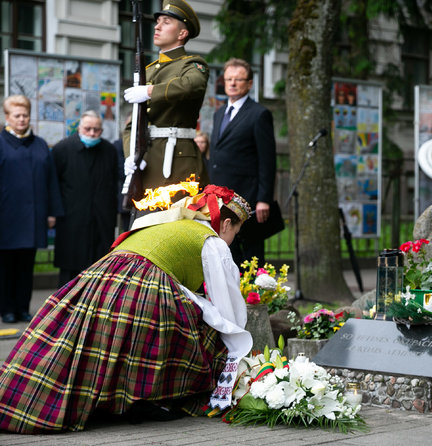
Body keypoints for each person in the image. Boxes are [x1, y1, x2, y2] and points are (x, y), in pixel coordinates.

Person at [0, 184, 253, 433]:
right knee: (189, 324)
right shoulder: (211, 240)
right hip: (142, 284)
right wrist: (237, 346)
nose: (231, 240)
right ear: (227, 225)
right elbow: (226, 304)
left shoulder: (170, 222)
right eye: (235, 233)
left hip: (102, 276)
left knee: (87, 343)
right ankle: (147, 400)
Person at [123, 0, 209, 190]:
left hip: (178, 159)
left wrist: (149, 91)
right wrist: (130, 154)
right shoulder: (150, 70)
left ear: (182, 33)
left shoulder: (193, 65)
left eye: (166, 22)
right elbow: (133, 125)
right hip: (147, 159)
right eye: (158, 21)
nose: (157, 26)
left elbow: (191, 85)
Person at [0, 95, 63, 324]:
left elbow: (51, 182)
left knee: (27, 265)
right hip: (6, 217)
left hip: (33, 216)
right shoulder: (1, 143)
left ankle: (22, 307)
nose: (22, 119)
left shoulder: (40, 145)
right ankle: (6, 308)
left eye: (25, 114)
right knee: (6, 266)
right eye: (17, 115)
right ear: (8, 117)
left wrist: (52, 212)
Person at [209, 57, 277, 266]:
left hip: (246, 197)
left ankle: (253, 297)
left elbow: (267, 160)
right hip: (220, 197)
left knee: (250, 255)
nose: (232, 83)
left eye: (238, 79)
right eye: (228, 79)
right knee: (224, 252)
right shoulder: (220, 113)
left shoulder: (259, 114)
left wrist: (264, 198)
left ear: (249, 83)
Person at [52, 110, 119, 287]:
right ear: (79, 128)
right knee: (70, 268)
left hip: (101, 220)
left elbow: (114, 183)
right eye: (88, 129)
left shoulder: (109, 151)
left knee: (99, 268)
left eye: (96, 130)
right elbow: (54, 184)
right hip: (71, 219)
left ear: (102, 130)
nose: (91, 133)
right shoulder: (62, 149)